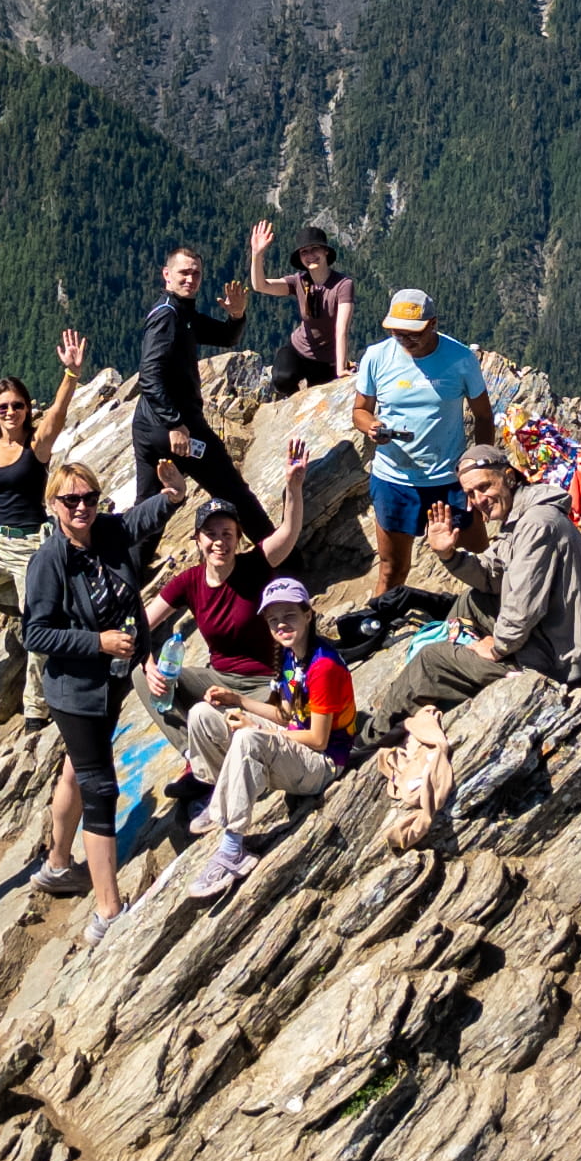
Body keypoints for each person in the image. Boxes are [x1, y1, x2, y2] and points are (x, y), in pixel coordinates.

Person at [17, 454, 189, 945]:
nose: (81, 507)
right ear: (53, 504)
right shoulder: (49, 561)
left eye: (89, 498)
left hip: (110, 682)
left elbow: (137, 520)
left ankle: (57, 865)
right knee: (101, 788)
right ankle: (108, 912)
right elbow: (35, 633)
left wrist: (172, 497)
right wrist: (98, 642)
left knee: (77, 767)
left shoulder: (106, 532)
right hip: (76, 691)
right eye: (70, 499)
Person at [137, 439, 320, 768]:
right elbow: (139, 626)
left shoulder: (254, 565)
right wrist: (149, 667)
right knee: (139, 676)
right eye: (211, 534)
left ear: (238, 538)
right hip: (218, 680)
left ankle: (232, 743)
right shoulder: (189, 582)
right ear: (198, 540)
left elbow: (289, 532)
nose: (219, 542)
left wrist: (294, 487)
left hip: (264, 683)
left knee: (283, 718)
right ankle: (194, 756)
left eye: (227, 534)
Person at [177, 582, 359, 898]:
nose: (281, 625)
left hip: (324, 763)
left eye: (290, 615)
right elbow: (286, 715)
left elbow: (318, 739)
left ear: (308, 614)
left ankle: (232, 849)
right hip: (298, 743)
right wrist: (237, 700)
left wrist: (261, 731)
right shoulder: (291, 656)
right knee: (202, 715)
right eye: (274, 620)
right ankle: (223, 794)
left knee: (249, 738)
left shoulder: (323, 666)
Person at [397, 442, 581, 711]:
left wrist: (497, 648)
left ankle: (377, 732)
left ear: (509, 477)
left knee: (431, 659)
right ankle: (442, 674)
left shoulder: (536, 524)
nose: (478, 500)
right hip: (562, 639)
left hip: (564, 662)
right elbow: (491, 575)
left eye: (484, 487)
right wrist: (449, 555)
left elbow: (523, 604)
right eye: (470, 494)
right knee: (472, 601)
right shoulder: (520, 517)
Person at [0, 331, 91, 709]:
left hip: (31, 545)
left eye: (17, 405)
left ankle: (36, 704)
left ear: (27, 409)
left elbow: (58, 414)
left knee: (38, 626)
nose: (10, 412)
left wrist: (71, 374)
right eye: (2, 406)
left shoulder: (37, 444)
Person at [352, 287, 498, 600]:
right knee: (392, 569)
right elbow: (360, 410)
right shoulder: (377, 357)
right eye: (396, 332)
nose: (404, 340)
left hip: (449, 481)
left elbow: (484, 417)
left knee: (481, 561)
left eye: (412, 333)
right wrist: (372, 426)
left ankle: (498, 615)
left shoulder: (460, 359)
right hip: (394, 480)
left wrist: (479, 472)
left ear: (433, 324)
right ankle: (378, 622)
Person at [134, 228, 270, 525]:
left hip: (149, 425)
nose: (190, 279)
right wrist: (175, 424)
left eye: (196, 273)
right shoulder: (168, 315)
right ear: (166, 275)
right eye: (183, 272)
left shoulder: (182, 313)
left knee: (150, 510)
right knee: (233, 493)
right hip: (178, 425)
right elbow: (149, 375)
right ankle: (278, 552)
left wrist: (236, 316)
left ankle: (126, 559)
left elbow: (225, 337)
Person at [251, 224, 361, 402]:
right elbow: (260, 286)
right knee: (281, 379)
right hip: (298, 349)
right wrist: (257, 254)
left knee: (321, 399)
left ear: (325, 251)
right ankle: (293, 403)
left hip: (326, 360)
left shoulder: (343, 285)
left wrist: (340, 368)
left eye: (315, 249)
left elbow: (341, 330)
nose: (310, 255)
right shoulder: (299, 282)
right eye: (304, 252)